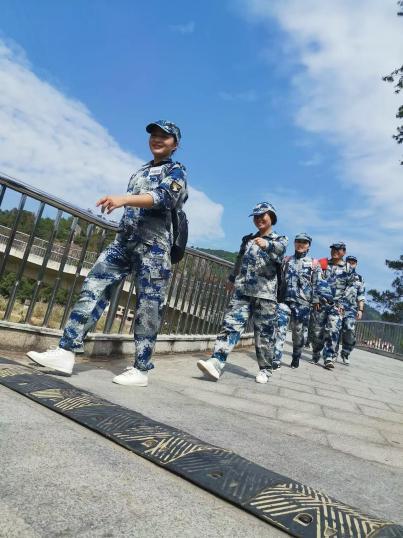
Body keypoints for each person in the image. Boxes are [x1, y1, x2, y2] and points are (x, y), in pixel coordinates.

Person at [27, 120, 188, 387]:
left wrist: (123, 199)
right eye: (154, 135)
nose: (157, 139)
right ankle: (66, 351)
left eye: (165, 136)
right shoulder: (140, 171)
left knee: (148, 306)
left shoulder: (177, 171)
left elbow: (164, 198)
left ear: (175, 145)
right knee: (93, 287)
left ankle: (141, 369)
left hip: (153, 248)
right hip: (123, 242)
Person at [197, 202, 288, 384]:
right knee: (230, 326)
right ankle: (217, 362)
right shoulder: (248, 239)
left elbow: (280, 250)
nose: (259, 219)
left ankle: (265, 369)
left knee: (264, 334)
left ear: (271, 217)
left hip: (265, 295)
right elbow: (239, 260)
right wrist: (232, 279)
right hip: (242, 291)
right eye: (256, 216)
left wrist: (267, 244)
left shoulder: (280, 239)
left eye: (262, 215)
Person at [273, 233, 332, 369]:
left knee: (298, 334)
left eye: (304, 242)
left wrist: (320, 299)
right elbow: (278, 278)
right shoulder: (286, 260)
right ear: (294, 243)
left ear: (308, 246)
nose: (301, 244)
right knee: (279, 329)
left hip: (303, 304)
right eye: (298, 241)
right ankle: (276, 359)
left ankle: (296, 356)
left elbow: (319, 283)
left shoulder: (314, 264)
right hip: (284, 301)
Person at [311, 242, 356, 369]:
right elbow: (315, 282)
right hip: (321, 303)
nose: (335, 251)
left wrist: (343, 304)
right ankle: (316, 353)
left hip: (337, 305)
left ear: (344, 252)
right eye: (333, 249)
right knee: (317, 331)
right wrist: (315, 299)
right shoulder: (323, 264)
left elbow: (351, 288)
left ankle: (329, 357)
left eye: (338, 249)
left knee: (333, 330)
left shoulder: (348, 268)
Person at [339, 255, 365, 365]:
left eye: (353, 262)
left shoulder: (359, 278)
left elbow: (361, 295)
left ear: (356, 264)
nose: (351, 264)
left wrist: (360, 310)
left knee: (349, 330)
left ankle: (345, 353)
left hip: (351, 309)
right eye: (349, 262)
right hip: (338, 306)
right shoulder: (339, 273)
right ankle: (331, 354)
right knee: (334, 330)